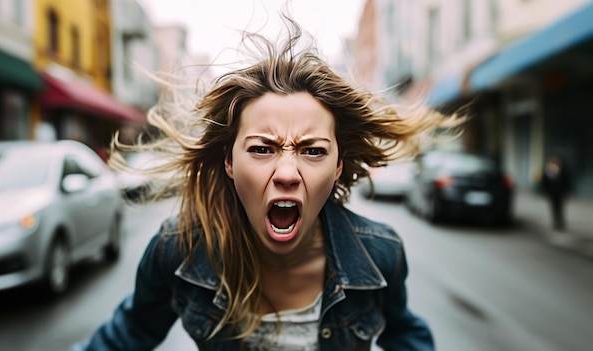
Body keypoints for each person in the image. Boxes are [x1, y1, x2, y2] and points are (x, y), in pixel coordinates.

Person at [74, 15, 460, 351]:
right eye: (262, 149)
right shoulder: (179, 252)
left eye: (312, 151)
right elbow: (128, 333)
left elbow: (406, 333)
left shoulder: (380, 255)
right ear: (228, 161)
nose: (288, 174)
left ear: (339, 165)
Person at [541, 156, 571, 231]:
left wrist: (566, 192)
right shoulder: (547, 172)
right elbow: (544, 183)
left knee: (560, 208)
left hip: (560, 193)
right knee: (553, 208)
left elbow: (566, 182)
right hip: (551, 194)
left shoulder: (562, 171)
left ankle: (561, 223)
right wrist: (546, 192)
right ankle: (555, 223)